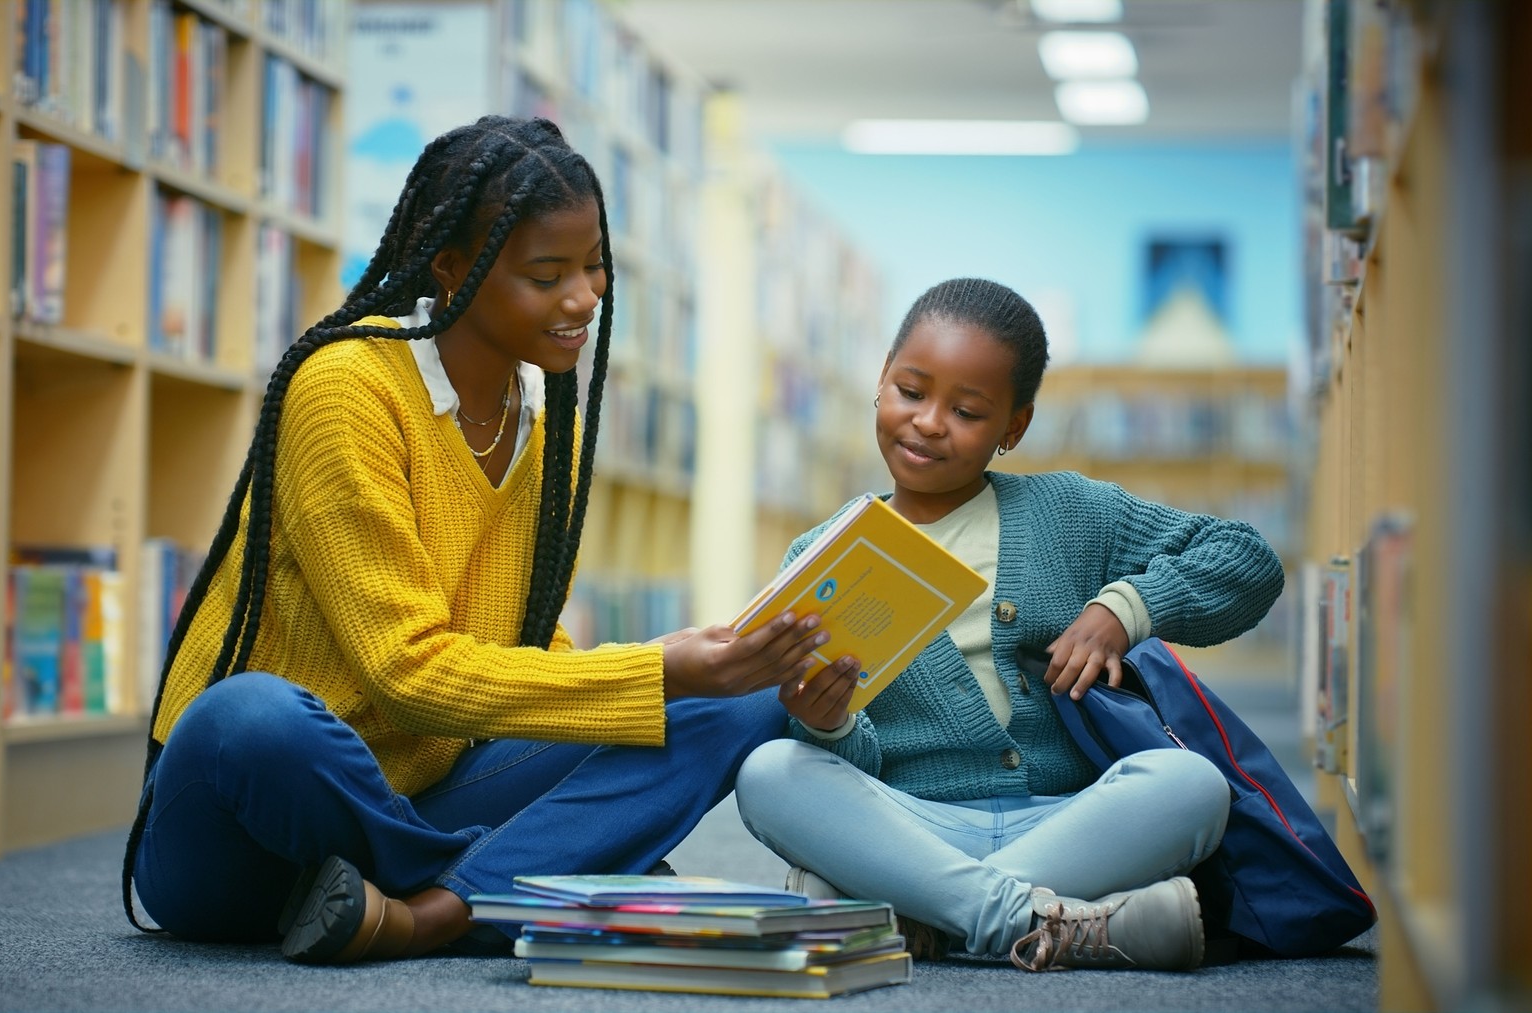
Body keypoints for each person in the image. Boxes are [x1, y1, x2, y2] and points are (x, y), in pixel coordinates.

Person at [120, 116, 828, 964]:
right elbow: (406, 674)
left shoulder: (545, 424)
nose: (584, 297)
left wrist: (679, 672)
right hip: (249, 830)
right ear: (451, 268)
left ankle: (434, 911)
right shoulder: (346, 389)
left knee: (745, 697)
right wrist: (656, 668)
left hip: (432, 794)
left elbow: (529, 652)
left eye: (594, 265)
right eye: (546, 275)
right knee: (249, 717)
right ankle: (529, 875)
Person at [734, 277, 1285, 973]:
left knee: (1193, 784)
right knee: (771, 772)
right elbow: (846, 770)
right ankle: (1046, 921)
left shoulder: (1072, 512)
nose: (928, 422)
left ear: (1013, 429)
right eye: (910, 391)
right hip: (911, 826)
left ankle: (926, 915)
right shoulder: (818, 557)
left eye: (966, 411)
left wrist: (1122, 610)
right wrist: (829, 724)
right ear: (880, 382)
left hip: (1066, 820)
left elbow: (1247, 560)